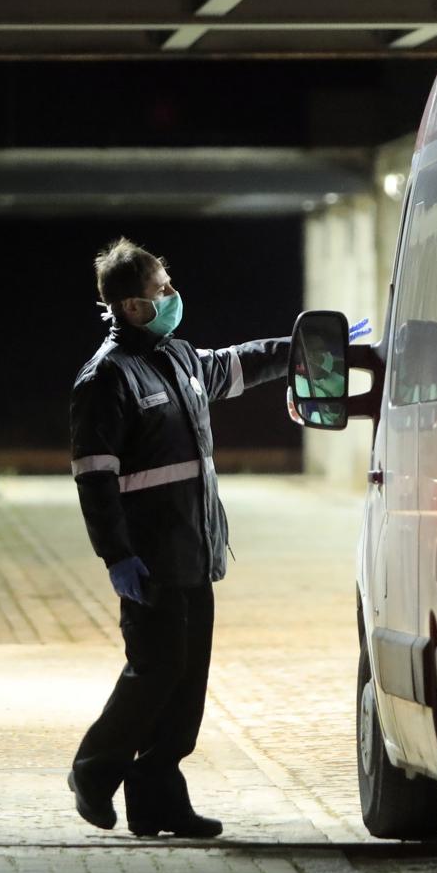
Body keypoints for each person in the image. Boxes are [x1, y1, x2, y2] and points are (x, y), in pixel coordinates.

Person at [66, 237, 291, 838]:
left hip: (195, 551)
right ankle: (93, 769)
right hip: (150, 558)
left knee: (187, 681)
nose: (173, 295)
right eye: (162, 289)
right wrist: (116, 554)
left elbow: (239, 364)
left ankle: (159, 797)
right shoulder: (105, 378)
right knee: (155, 670)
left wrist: (308, 351)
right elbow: (94, 476)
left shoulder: (180, 357)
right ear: (133, 307)